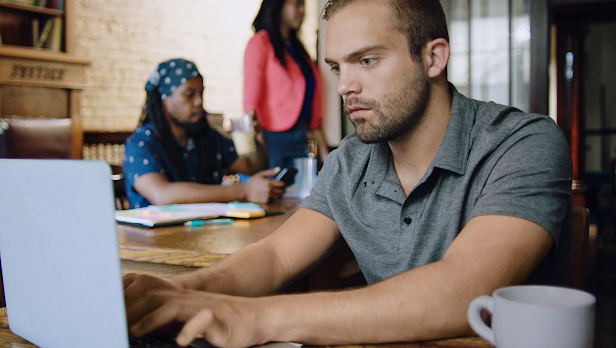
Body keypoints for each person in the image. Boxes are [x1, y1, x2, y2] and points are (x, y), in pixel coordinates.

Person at [123, 1, 573, 347]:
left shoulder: (523, 142)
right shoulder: (350, 161)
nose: (344, 87)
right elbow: (277, 256)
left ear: (433, 58)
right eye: (337, 67)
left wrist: (253, 318)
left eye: (368, 61)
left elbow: (468, 288)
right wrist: (179, 291)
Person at [123, 58, 285, 208]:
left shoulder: (207, 137)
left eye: (201, 93)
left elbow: (252, 168)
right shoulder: (140, 144)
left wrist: (256, 138)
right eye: (189, 94)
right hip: (153, 238)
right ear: (164, 100)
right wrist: (243, 191)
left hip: (206, 234)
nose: (199, 101)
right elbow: (162, 195)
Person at [244, 0, 330, 169]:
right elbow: (250, 102)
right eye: (297, 4)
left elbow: (313, 109)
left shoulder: (298, 50)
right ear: (278, 5)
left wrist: (324, 150)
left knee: (304, 192)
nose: (302, 10)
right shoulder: (260, 43)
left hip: (302, 136)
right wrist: (259, 145)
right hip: (271, 138)